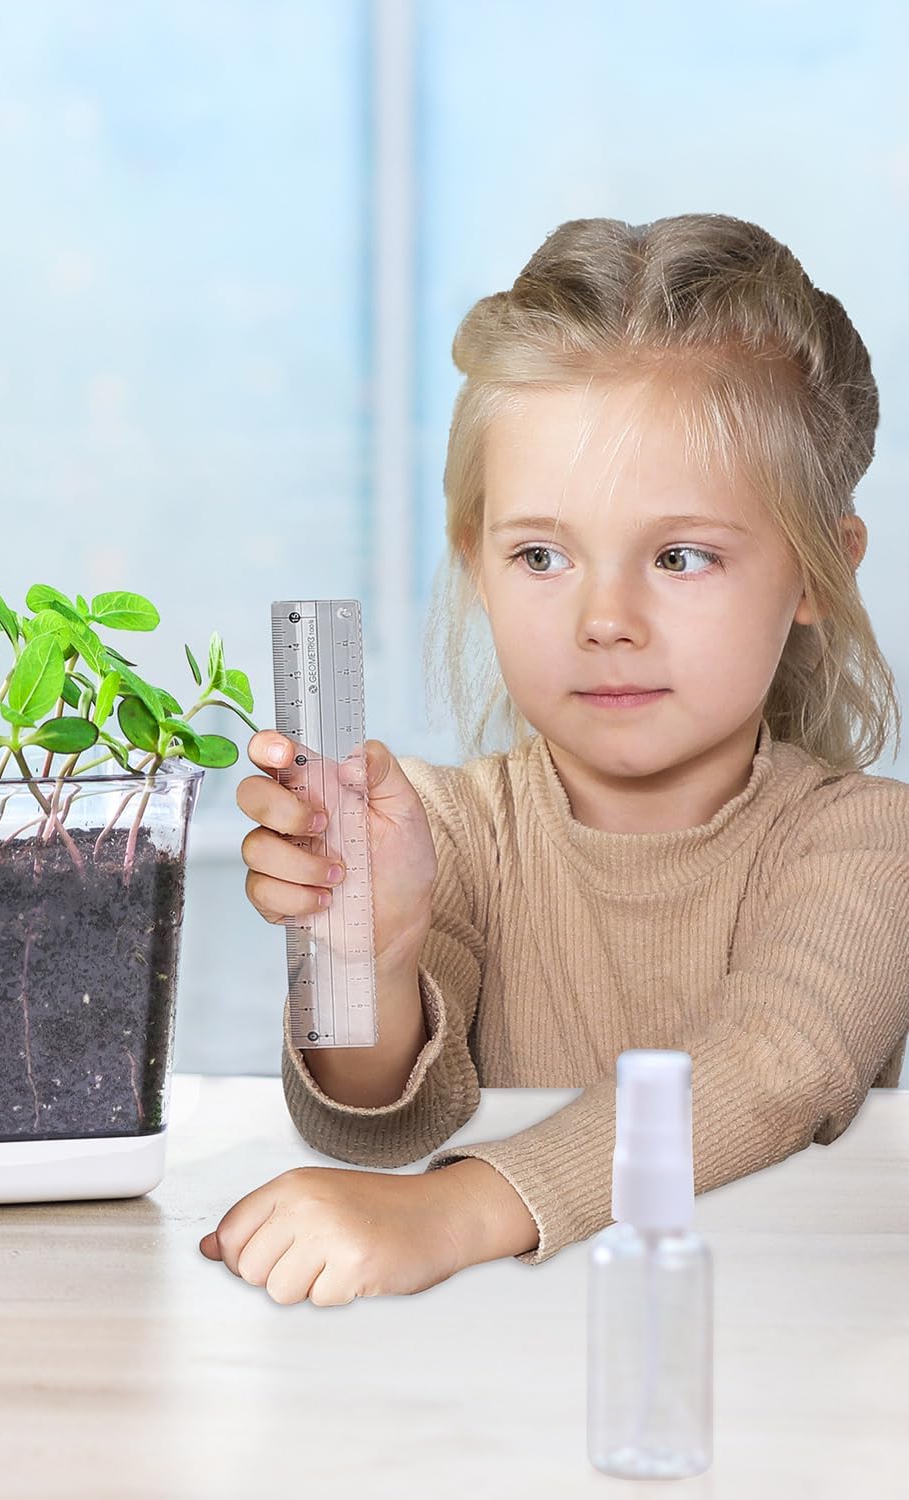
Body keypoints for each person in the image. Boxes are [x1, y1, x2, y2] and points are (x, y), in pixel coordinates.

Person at [199, 213, 909, 1306]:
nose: (605, 618)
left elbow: (774, 1068)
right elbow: (373, 1120)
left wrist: (454, 1210)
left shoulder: (868, 843)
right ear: (476, 564)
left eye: (681, 556)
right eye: (540, 554)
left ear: (822, 570)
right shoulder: (443, 833)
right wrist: (369, 965)